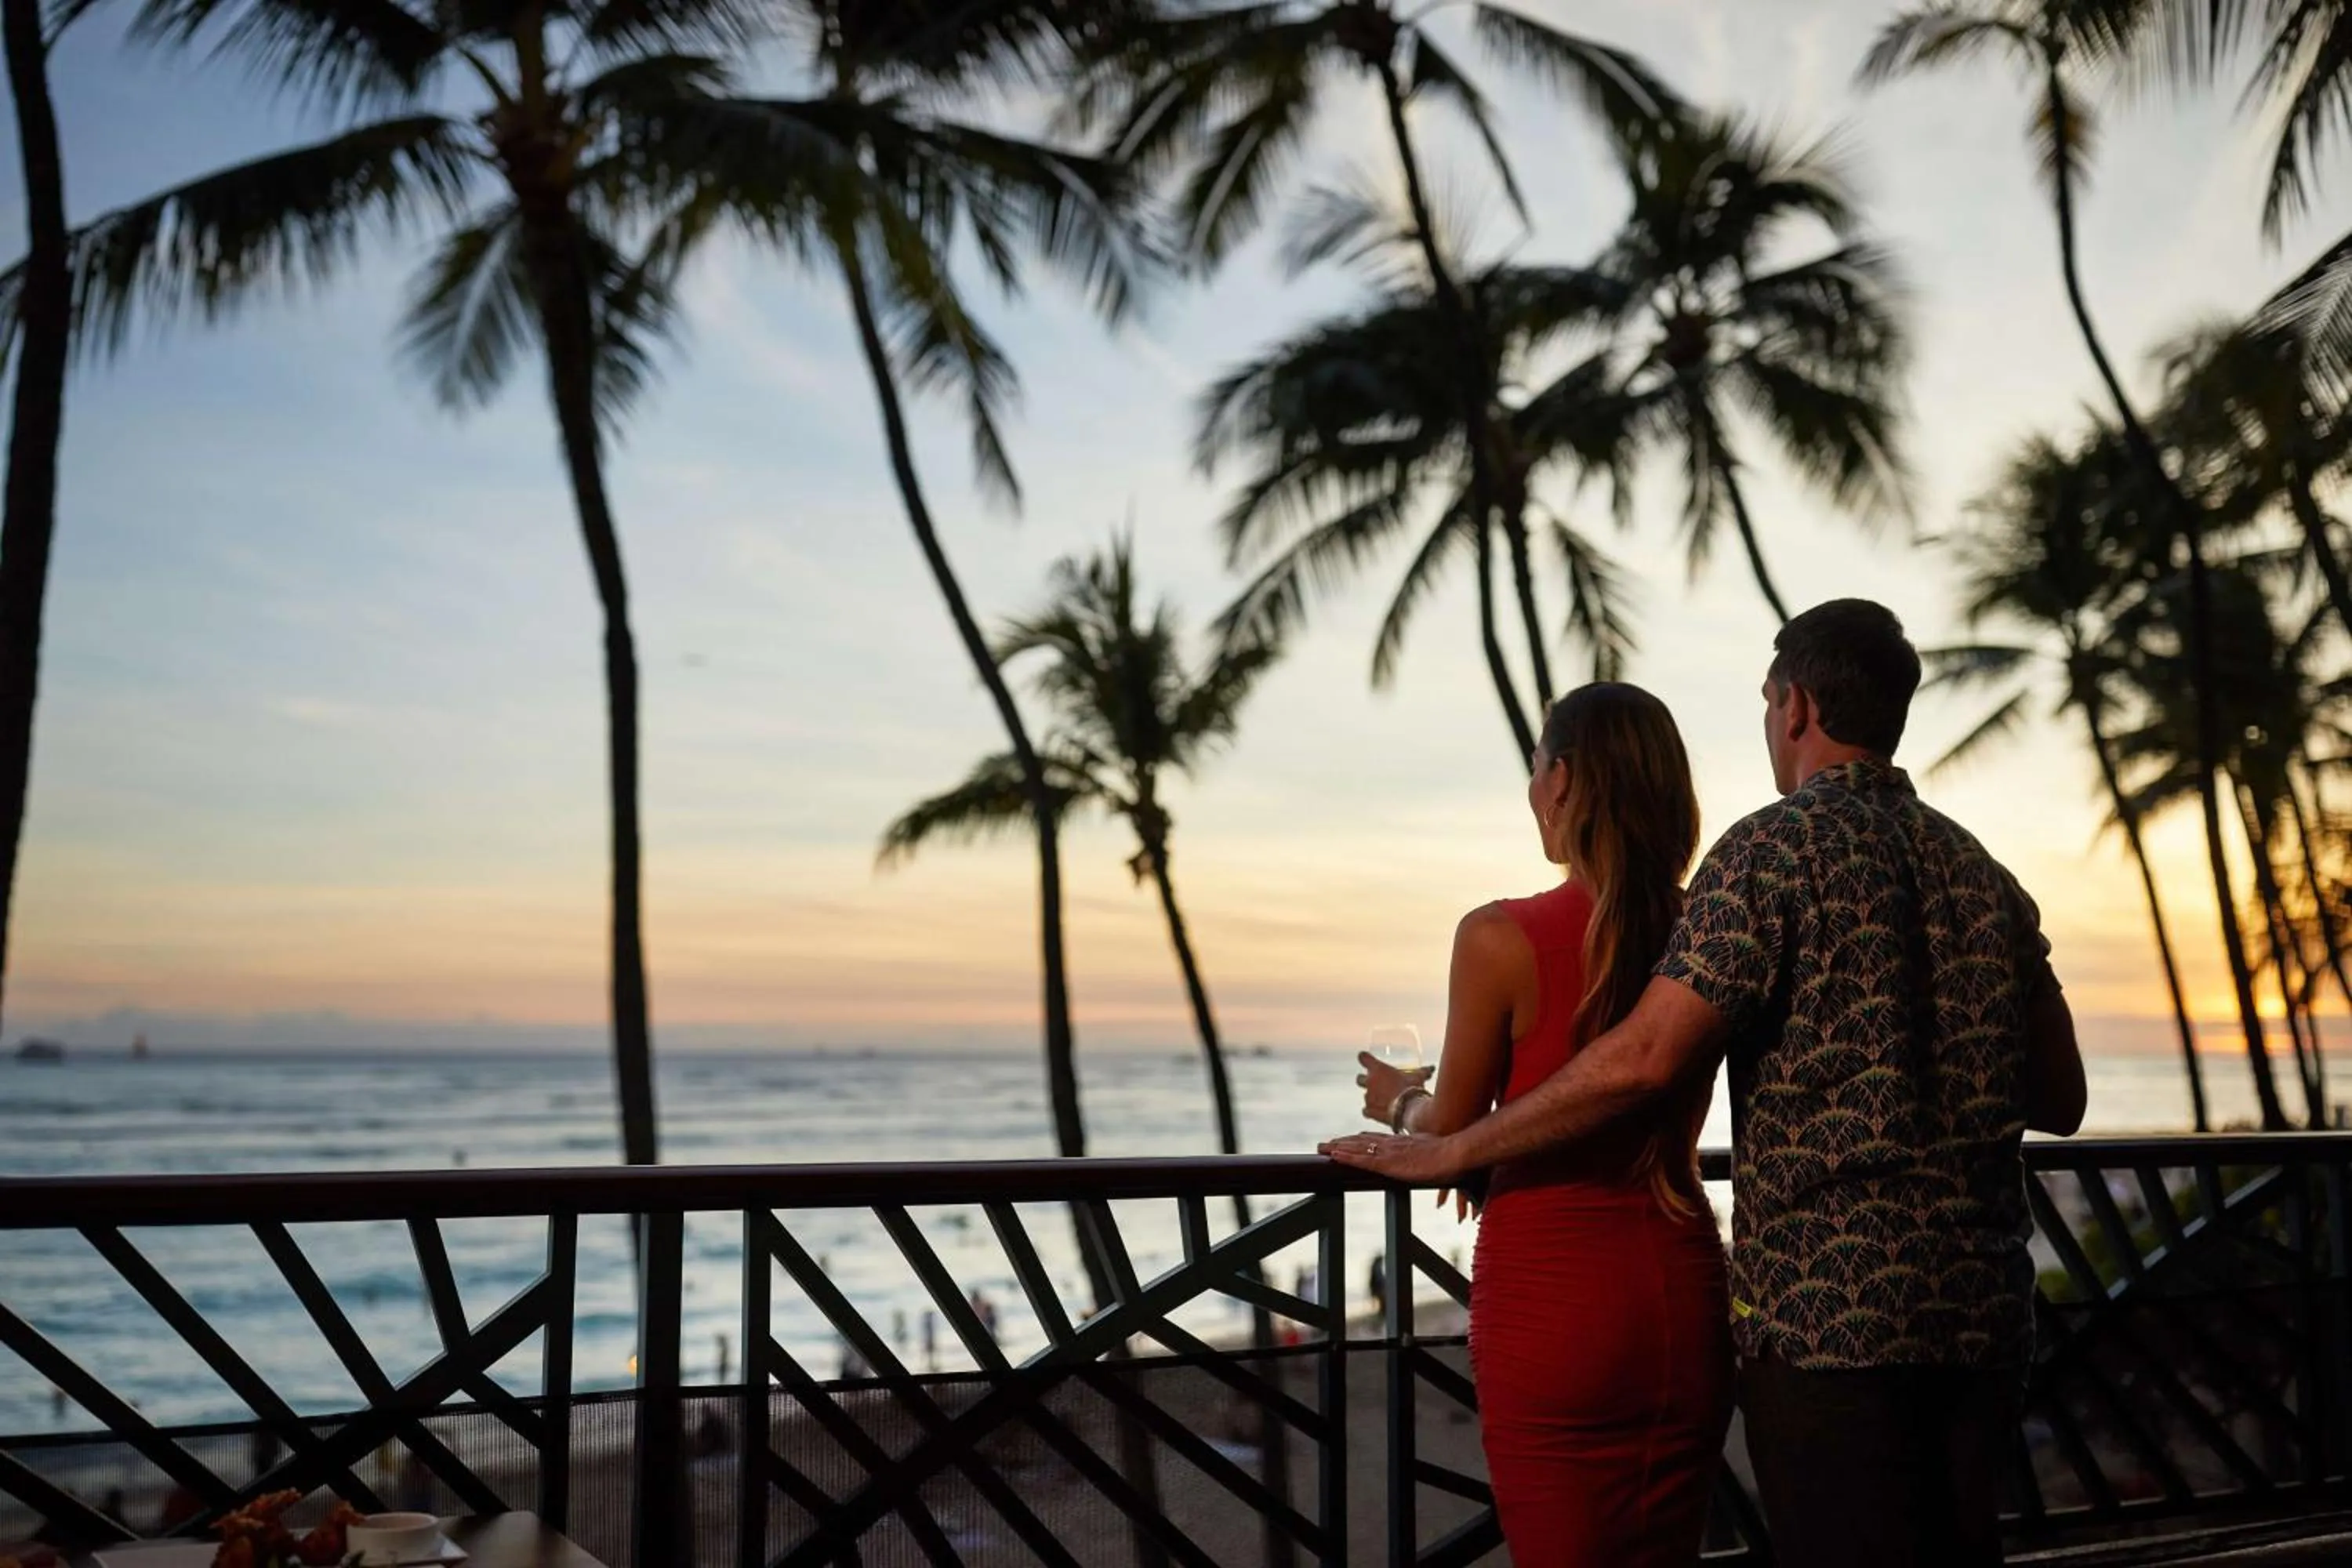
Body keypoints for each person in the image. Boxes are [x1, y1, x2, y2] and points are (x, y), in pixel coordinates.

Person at [1326, 601, 2089, 1568]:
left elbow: (1645, 1055)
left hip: (1829, 1313)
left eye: (1770, 702)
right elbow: (2062, 1101)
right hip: (1981, 1310)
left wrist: (1446, 1140)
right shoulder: (1985, 874)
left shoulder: (1771, 853)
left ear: (1797, 704)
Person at [1352, 681, 1733, 1568]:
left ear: (1561, 781)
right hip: (1680, 1293)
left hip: (1553, 1302)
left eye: (1535, 769)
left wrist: (1399, 1102)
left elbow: (1448, 1129)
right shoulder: (1709, 935)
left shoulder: (1499, 937)